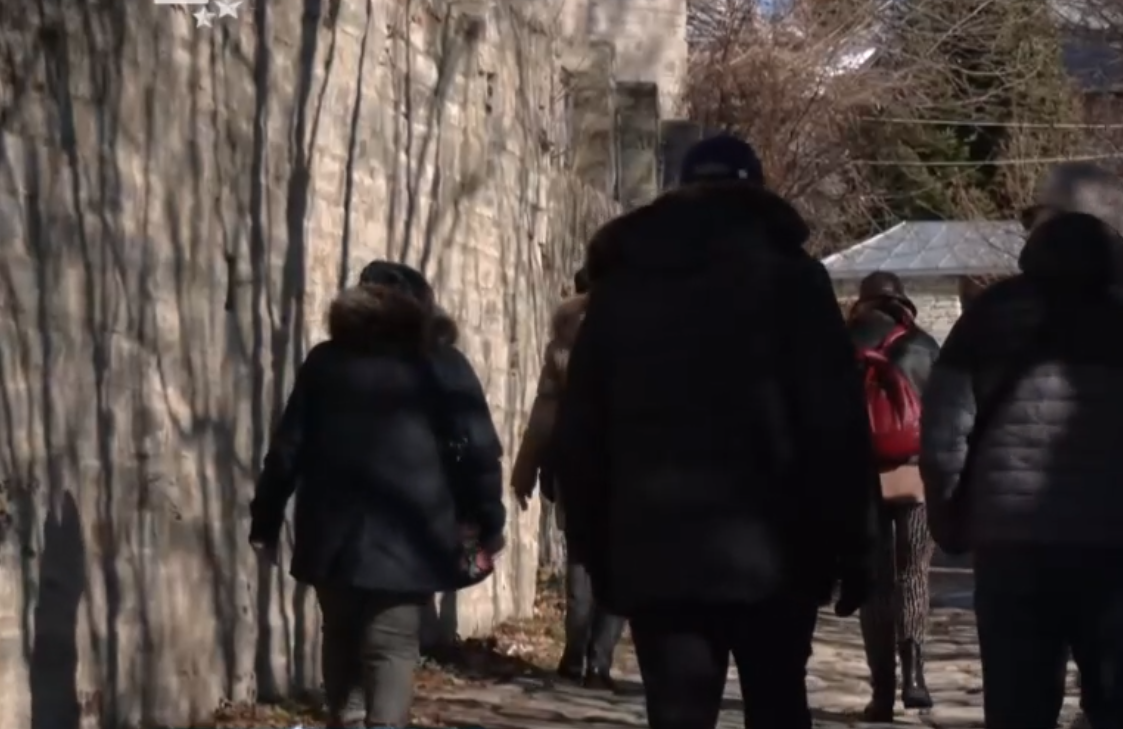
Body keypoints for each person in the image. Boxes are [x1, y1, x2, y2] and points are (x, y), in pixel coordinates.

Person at [551, 134, 880, 729]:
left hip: (659, 549)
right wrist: (857, 546)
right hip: (779, 551)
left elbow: (583, 432)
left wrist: (595, 550)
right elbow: (836, 424)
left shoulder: (623, 289)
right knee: (778, 706)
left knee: (678, 712)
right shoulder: (795, 282)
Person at [919, 163, 1123, 729]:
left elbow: (943, 435)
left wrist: (954, 521)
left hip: (1013, 545)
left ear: (1050, 221)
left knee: (1018, 709)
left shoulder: (993, 312)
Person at [249, 260, 507, 728]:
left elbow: (287, 450)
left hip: (331, 537)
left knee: (340, 634)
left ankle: (346, 717)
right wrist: (489, 520)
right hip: (412, 538)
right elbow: (480, 453)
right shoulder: (443, 365)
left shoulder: (325, 363)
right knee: (391, 647)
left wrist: (265, 520)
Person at [510, 266, 628, 690]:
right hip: (627, 468)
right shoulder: (644, 333)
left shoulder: (564, 342)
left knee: (580, 557)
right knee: (618, 562)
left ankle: (574, 655)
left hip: (574, 463)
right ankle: (599, 661)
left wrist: (525, 469)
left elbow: (544, 413)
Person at [846, 271, 942, 721]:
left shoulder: (842, 343)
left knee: (875, 582)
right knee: (914, 574)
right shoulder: (924, 345)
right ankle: (915, 676)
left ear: (863, 301)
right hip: (915, 477)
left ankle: (881, 691)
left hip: (860, 480)